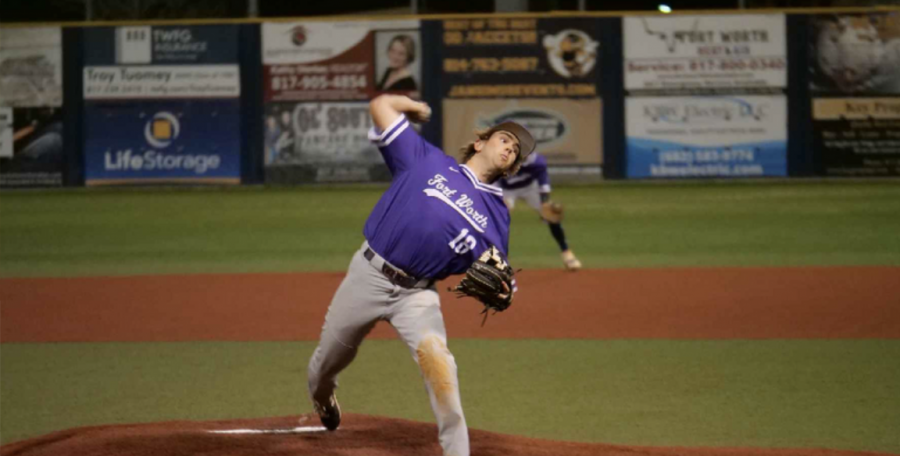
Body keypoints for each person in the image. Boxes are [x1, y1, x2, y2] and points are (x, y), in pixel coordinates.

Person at [306, 94, 534, 456]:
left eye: (516, 150)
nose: (510, 148)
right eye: (504, 138)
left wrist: (507, 287)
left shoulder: (497, 216)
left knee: (441, 366)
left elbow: (499, 272)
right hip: (369, 274)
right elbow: (381, 107)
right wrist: (410, 106)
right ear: (480, 142)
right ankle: (323, 397)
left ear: (511, 168)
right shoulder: (426, 160)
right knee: (328, 362)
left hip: (417, 296)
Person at [497, 152, 582, 271]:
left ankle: (567, 253)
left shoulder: (536, 162)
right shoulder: (501, 158)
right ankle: (496, 258)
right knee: (498, 219)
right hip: (505, 189)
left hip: (530, 188)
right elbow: (490, 178)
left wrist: (545, 203)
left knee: (551, 215)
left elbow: (544, 184)